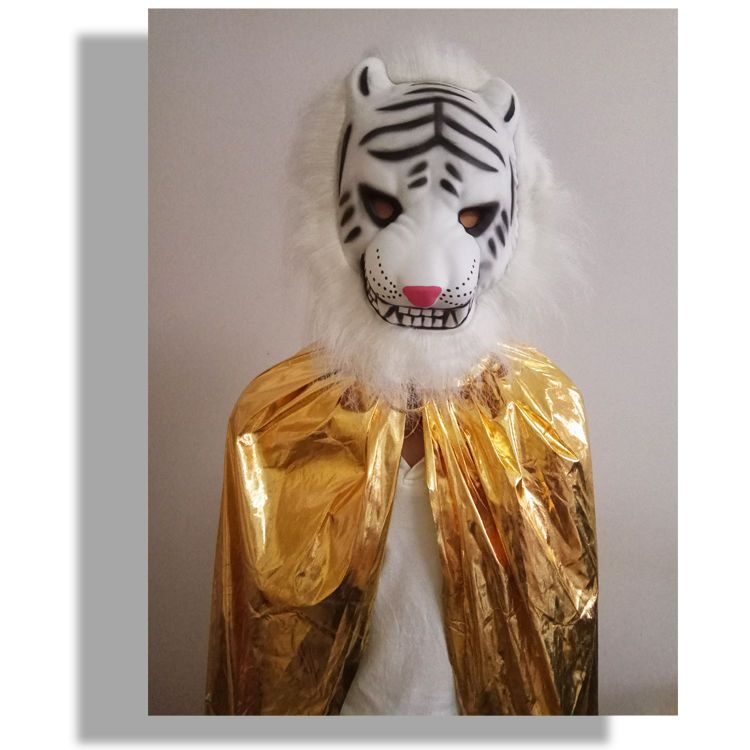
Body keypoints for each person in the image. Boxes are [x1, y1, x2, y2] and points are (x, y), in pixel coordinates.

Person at [204, 43, 598, 716]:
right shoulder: (274, 421)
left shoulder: (545, 417)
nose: (426, 282)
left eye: (470, 218)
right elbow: (258, 656)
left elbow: (559, 649)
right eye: (386, 210)